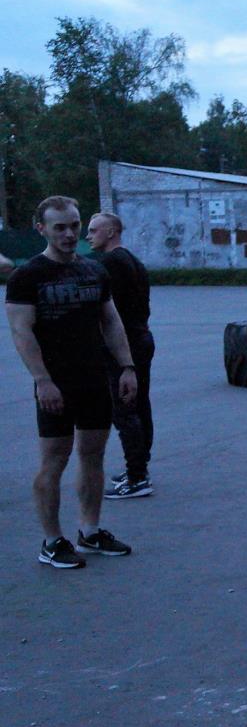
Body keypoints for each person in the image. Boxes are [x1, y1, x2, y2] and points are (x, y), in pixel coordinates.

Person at [5, 195, 138, 569]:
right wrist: (42, 381)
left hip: (94, 379)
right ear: (41, 229)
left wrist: (127, 367)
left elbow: (110, 322)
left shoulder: (94, 271)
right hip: (55, 383)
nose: (69, 233)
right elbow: (22, 333)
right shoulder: (27, 276)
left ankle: (90, 531)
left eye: (74, 225)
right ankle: (51, 542)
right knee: (54, 461)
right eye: (59, 227)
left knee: (93, 456)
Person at [85, 212, 155, 499]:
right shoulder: (131, 259)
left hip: (123, 343)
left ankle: (137, 477)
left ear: (111, 231)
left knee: (125, 409)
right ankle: (139, 470)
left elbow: (108, 311)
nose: (87, 236)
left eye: (93, 230)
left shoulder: (111, 263)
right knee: (138, 406)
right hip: (139, 338)